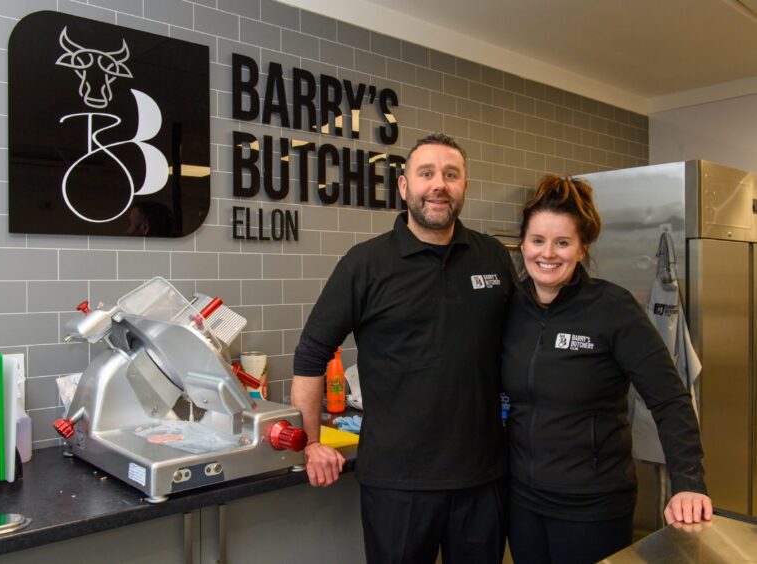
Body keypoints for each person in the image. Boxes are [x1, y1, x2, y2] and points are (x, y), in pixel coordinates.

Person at [291, 133, 516, 563]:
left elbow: (521, 345)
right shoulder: (366, 263)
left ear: (464, 186)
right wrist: (310, 441)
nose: (439, 185)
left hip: (483, 477)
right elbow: (312, 352)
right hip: (398, 482)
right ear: (403, 187)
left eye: (451, 175)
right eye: (426, 173)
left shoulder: (493, 258)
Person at [501, 175, 712, 563]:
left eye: (562, 242)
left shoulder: (612, 308)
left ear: (582, 248)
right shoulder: (509, 307)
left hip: (593, 505)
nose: (547, 254)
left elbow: (669, 398)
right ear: (523, 244)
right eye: (537, 241)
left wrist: (688, 483)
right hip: (523, 501)